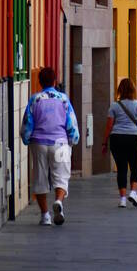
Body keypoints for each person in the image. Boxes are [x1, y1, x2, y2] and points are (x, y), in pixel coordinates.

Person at [20, 67, 80, 226]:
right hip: (60, 143)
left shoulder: (35, 99)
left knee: (40, 178)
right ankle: (59, 202)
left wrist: (26, 139)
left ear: (40, 82)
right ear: (55, 81)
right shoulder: (63, 99)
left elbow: (27, 123)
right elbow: (71, 123)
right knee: (61, 176)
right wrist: (73, 139)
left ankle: (45, 215)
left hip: (39, 143)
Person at [101, 78, 137, 208]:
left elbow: (109, 126)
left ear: (120, 90)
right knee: (135, 166)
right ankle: (134, 192)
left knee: (121, 168)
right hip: (132, 138)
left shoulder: (114, 106)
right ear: (133, 90)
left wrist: (104, 142)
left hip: (116, 139)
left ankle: (123, 199)